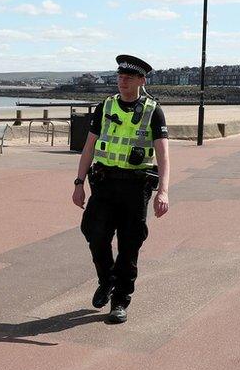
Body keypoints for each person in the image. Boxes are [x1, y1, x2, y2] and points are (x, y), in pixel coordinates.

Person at [71, 55, 170, 324]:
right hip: (104, 183)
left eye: (128, 78)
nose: (122, 82)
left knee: (129, 245)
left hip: (136, 188)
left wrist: (163, 191)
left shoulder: (153, 111)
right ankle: (107, 279)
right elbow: (89, 147)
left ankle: (120, 301)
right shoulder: (105, 106)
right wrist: (79, 183)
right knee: (93, 231)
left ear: (141, 80)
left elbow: (163, 156)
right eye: (119, 77)